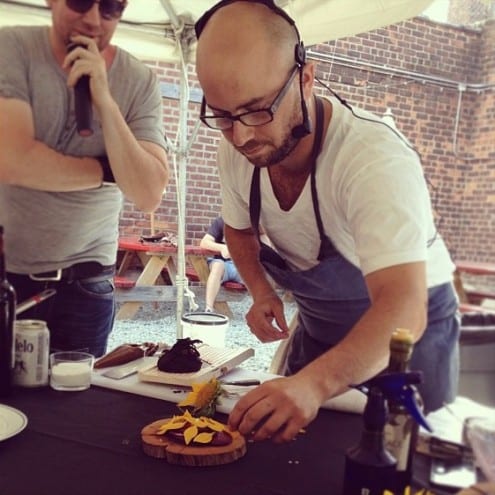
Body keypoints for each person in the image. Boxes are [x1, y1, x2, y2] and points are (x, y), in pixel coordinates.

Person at [194, 0, 460, 442]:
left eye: (258, 110)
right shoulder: (239, 145)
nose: (240, 136)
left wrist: (314, 384)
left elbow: (403, 308)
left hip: (408, 339)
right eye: (222, 116)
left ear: (305, 79)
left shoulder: (373, 159)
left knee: (403, 468)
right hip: (320, 333)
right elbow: (238, 230)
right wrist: (260, 290)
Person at [0, 0, 169, 357]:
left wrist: (105, 101)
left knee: (76, 408)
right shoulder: (12, 47)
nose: (93, 19)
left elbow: (149, 192)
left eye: (110, 7)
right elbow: (14, 161)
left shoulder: (138, 81)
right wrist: (108, 171)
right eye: (80, 2)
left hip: (86, 285)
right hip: (8, 279)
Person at [199, 215, 244, 313]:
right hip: (222, 264)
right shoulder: (221, 221)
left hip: (242, 267)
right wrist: (222, 248)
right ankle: (209, 309)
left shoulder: (250, 224)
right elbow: (204, 242)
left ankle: (263, 312)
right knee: (217, 266)